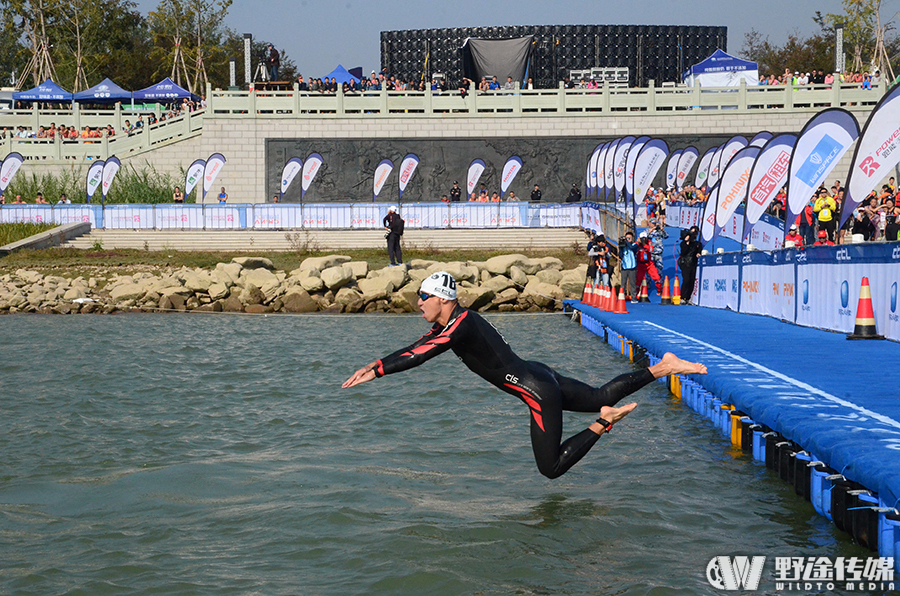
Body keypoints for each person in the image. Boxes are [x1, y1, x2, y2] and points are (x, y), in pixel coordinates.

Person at [342, 271, 708, 479]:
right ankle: (663, 367)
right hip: (537, 373)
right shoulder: (458, 323)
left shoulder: (459, 327)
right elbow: (419, 344)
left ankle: (604, 423)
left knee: (551, 468)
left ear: (441, 298)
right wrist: (377, 363)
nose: (418, 303)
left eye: (423, 297)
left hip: (536, 390)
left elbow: (422, 353)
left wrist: (377, 370)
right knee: (598, 395)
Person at [678, 226, 702, 304]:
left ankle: (688, 297)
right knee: (686, 280)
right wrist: (686, 242)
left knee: (692, 281)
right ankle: (683, 297)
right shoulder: (683, 243)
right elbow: (684, 252)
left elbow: (699, 251)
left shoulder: (698, 244)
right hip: (685, 263)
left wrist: (698, 253)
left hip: (693, 263)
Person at [619, 230, 638, 301]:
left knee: (632, 283)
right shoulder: (624, 246)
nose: (628, 240)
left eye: (629, 238)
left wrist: (626, 242)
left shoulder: (634, 245)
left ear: (632, 238)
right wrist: (621, 247)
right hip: (624, 266)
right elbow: (620, 255)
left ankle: (634, 297)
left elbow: (633, 248)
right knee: (623, 283)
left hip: (632, 267)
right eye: (627, 238)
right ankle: (622, 296)